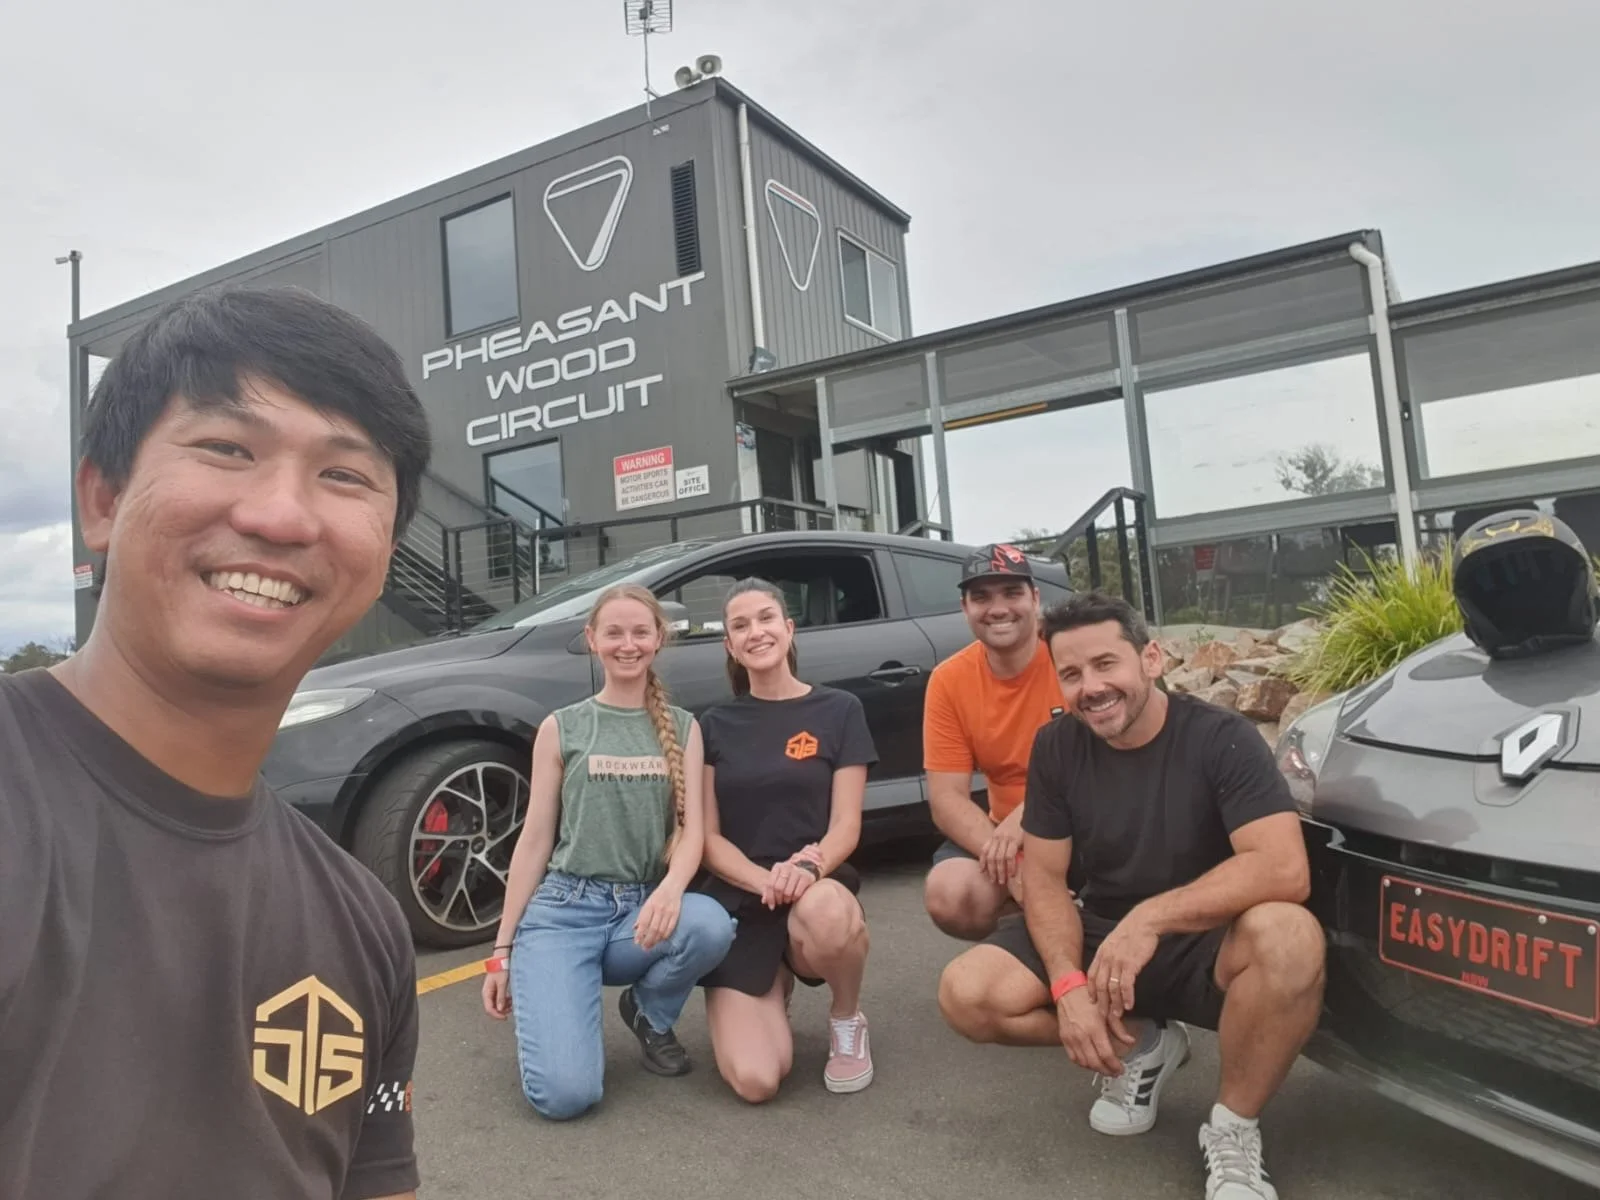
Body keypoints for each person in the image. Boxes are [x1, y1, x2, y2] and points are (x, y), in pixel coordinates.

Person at [0, 286, 433, 1199]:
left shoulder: (366, 925)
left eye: (345, 475)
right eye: (227, 449)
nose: (282, 517)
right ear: (103, 498)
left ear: (386, 547)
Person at [937, 591, 1326, 1200]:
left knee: (1290, 935)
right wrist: (1067, 986)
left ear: (1150, 658)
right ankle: (1145, 1045)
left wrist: (1151, 919)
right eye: (1070, 674)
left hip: (1205, 940)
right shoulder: (1058, 747)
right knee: (968, 994)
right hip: (1101, 933)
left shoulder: (1222, 739)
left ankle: (1232, 1128)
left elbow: (1283, 867)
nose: (1089, 687)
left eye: (1105, 664)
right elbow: (1042, 880)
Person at [482, 583, 735, 1120]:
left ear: (659, 639)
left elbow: (692, 831)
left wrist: (670, 891)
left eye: (641, 632)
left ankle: (648, 1010)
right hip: (563, 913)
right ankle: (555, 1002)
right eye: (614, 633)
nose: (628, 644)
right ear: (592, 640)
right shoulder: (562, 726)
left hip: (639, 913)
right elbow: (533, 841)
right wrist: (501, 952)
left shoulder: (684, 728)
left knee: (709, 923)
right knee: (567, 1097)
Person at [695, 578, 879, 1101]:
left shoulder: (839, 710)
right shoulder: (714, 723)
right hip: (741, 898)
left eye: (766, 618)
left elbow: (845, 824)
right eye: (740, 625)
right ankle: (771, 986)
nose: (756, 632)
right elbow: (707, 837)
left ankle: (846, 1019)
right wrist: (763, 881)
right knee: (756, 1082)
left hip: (813, 884)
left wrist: (805, 871)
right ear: (729, 645)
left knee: (827, 915)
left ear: (789, 628)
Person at [922, 542, 1066, 939]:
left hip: (1080, 821)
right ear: (965, 608)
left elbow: (1104, 761)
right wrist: (1013, 863)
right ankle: (1029, 933)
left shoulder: (1068, 656)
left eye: (1012, 593)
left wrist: (1029, 813)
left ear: (1035, 598)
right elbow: (947, 799)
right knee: (950, 893)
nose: (998, 608)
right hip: (1001, 831)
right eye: (981, 597)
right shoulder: (949, 680)